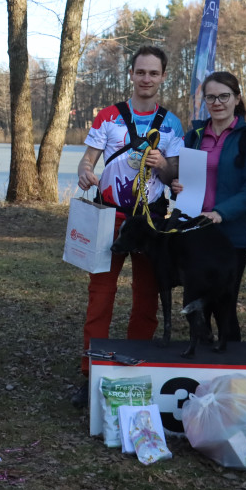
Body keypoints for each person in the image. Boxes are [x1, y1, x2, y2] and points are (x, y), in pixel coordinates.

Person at [73, 45, 183, 407]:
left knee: (147, 297)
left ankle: (137, 366)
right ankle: (92, 373)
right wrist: (86, 173)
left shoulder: (171, 123)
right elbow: (86, 163)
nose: (146, 79)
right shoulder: (108, 116)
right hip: (110, 217)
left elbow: (176, 178)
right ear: (131, 74)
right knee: (100, 296)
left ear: (163, 76)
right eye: (141, 72)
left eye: (153, 73)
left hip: (151, 220)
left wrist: (163, 164)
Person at [169, 71, 246, 345]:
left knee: (223, 308)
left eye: (224, 96)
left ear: (237, 98)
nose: (217, 102)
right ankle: (199, 369)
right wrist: (175, 186)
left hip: (230, 237)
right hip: (193, 234)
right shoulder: (195, 136)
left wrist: (220, 213)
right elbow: (181, 179)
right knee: (195, 308)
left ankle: (230, 372)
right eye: (210, 97)